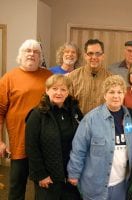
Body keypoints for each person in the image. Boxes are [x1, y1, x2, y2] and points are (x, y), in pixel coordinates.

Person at [67, 75, 132, 200]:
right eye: (111, 92)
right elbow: (78, 149)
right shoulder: (91, 119)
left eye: (119, 92)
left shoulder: (129, 117)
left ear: (124, 94)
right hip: (95, 185)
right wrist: (74, 173)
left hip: (121, 183)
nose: (116, 96)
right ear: (104, 95)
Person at [0, 39, 52, 200]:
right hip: (19, 143)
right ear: (20, 55)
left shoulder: (49, 77)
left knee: (44, 188)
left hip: (45, 143)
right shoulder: (8, 78)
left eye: (36, 52)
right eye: (28, 51)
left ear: (40, 57)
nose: (31, 54)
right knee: (16, 188)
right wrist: (0, 141)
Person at [25, 74, 83, 200]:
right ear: (47, 90)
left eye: (63, 89)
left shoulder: (74, 111)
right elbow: (31, 147)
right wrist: (41, 175)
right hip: (48, 177)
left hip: (70, 175)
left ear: (68, 92)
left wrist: (78, 171)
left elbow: (82, 139)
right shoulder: (37, 115)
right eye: (55, 89)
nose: (59, 93)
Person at [67, 39, 112, 115]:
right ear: (85, 56)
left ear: (103, 56)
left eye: (98, 54)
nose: (94, 57)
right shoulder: (72, 77)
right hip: (79, 124)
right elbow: (67, 104)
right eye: (90, 53)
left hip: (102, 124)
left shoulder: (111, 79)